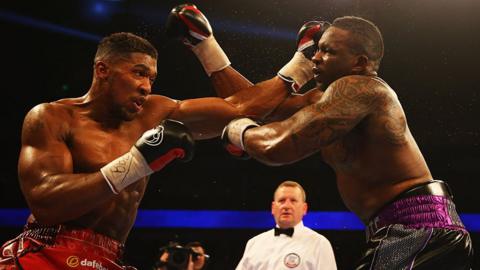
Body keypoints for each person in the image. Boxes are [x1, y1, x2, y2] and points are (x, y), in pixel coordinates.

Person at [0, 8, 303, 267]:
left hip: (109, 257)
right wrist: (136, 163)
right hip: (46, 255)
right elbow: (45, 203)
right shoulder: (52, 117)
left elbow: (240, 107)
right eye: (138, 73)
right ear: (102, 70)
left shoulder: (155, 112)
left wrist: (300, 63)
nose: (146, 86)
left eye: (151, 78)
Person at [222, 16, 474, 269]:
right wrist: (204, 47)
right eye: (316, 50)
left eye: (328, 51)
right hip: (406, 230)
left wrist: (236, 130)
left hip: (418, 228)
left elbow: (275, 146)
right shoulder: (327, 103)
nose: (316, 58)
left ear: (359, 63)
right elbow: (250, 106)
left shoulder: (361, 90)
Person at [236, 180, 337, 270]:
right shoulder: (254, 243)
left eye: (293, 201)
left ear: (304, 208)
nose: (286, 206)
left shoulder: (319, 244)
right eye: (281, 201)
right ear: (273, 208)